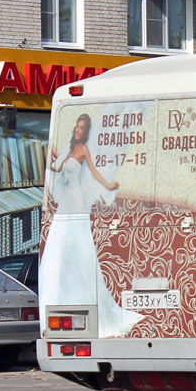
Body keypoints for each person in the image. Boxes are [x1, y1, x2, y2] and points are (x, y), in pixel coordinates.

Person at [39, 113, 141, 338]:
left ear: (86, 132)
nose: (78, 130)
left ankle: (85, 293)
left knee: (78, 244)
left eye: (82, 127)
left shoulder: (83, 149)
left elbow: (94, 172)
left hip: (75, 200)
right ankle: (60, 295)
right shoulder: (68, 148)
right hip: (66, 201)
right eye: (77, 125)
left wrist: (109, 185)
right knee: (61, 244)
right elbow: (55, 168)